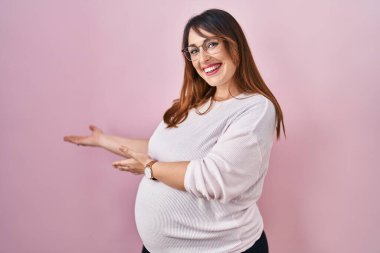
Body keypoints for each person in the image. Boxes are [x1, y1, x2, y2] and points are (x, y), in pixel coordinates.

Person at [64, 8, 285, 253]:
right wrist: (103, 140)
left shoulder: (255, 108)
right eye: (194, 51)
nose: (203, 58)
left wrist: (150, 169)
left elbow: (216, 178)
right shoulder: (197, 103)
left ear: (234, 45)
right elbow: (159, 149)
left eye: (211, 44)